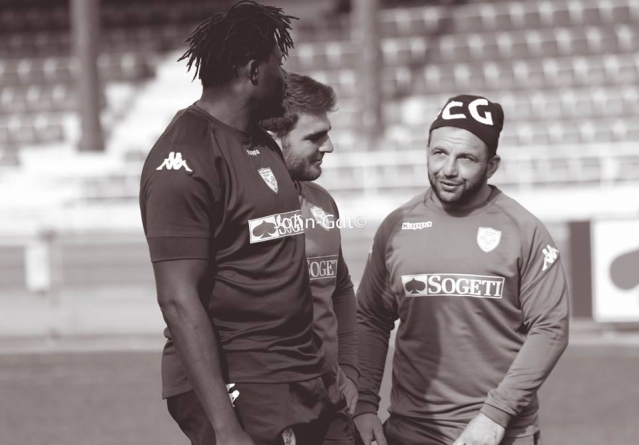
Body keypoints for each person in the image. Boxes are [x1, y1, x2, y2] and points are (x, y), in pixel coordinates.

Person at [140, 3, 339, 444]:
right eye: (278, 63)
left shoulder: (263, 142)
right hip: (243, 380)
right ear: (253, 71)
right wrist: (225, 427)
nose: (284, 76)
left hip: (297, 371)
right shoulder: (185, 158)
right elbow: (176, 299)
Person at [353, 95, 570, 445]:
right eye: (439, 153)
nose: (448, 169)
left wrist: (495, 415)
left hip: (500, 433)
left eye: (466, 158)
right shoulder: (396, 226)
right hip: (410, 432)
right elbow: (371, 318)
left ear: (492, 164)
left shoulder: (524, 230)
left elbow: (550, 328)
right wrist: (364, 404)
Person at [262, 73, 361, 444]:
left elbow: (340, 289)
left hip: (330, 396)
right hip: (267, 399)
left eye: (328, 132)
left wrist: (348, 369)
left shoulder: (323, 202)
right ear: (275, 140)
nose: (330, 146)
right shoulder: (236, 209)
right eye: (315, 136)